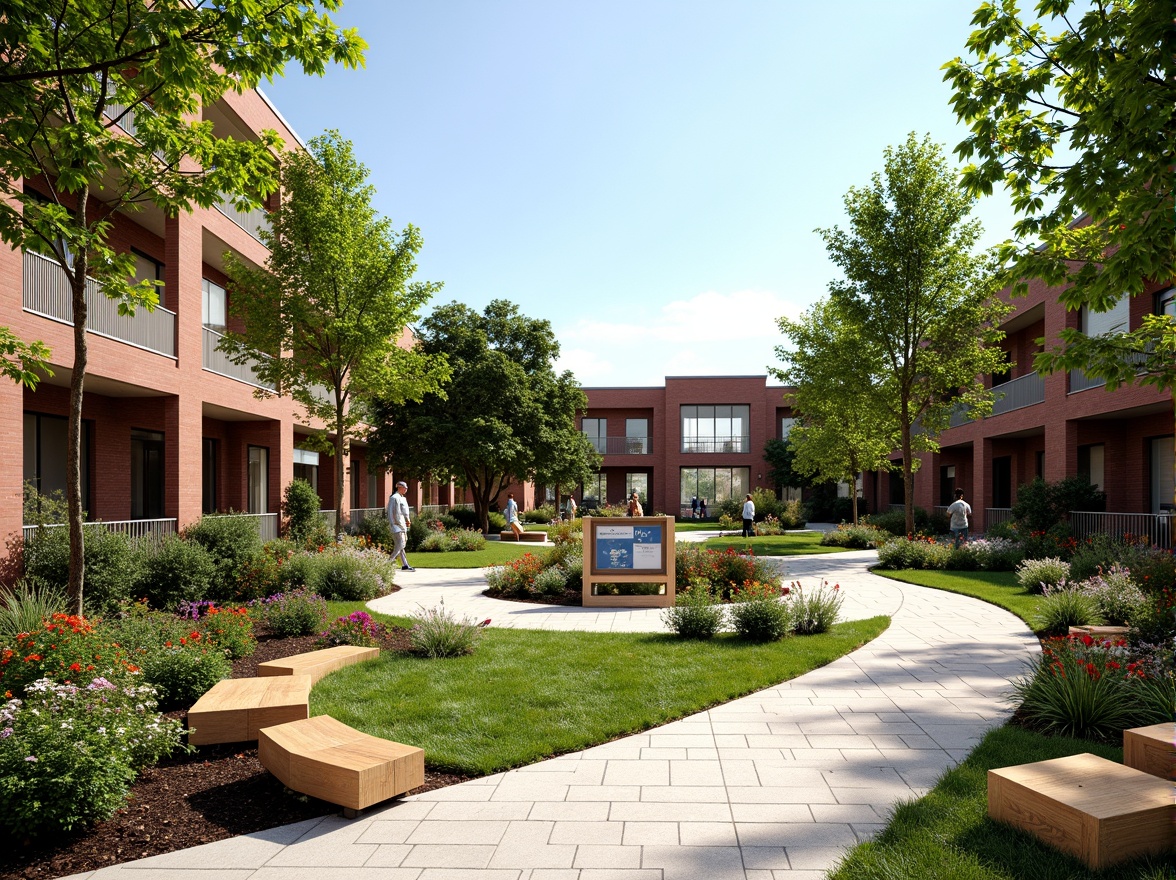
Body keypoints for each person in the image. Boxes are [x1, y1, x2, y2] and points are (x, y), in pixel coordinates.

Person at [386, 480, 414, 571]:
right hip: (397, 525)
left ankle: (405, 564)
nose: (406, 489)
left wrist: (407, 520)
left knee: (401, 545)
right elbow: (393, 512)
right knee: (400, 545)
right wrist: (395, 523)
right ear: (400, 487)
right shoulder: (394, 498)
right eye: (405, 488)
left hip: (402, 525)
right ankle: (388, 563)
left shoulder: (402, 498)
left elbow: (405, 512)